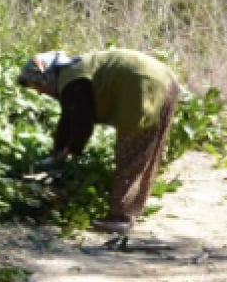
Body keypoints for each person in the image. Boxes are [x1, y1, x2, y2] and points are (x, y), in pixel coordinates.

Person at [17, 48, 181, 235]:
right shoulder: (71, 73)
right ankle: (130, 211)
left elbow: (83, 123)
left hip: (144, 85)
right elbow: (68, 118)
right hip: (164, 80)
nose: (39, 92)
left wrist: (68, 151)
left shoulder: (72, 81)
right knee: (146, 151)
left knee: (131, 152)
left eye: (37, 86)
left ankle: (120, 217)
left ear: (45, 77)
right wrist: (58, 151)